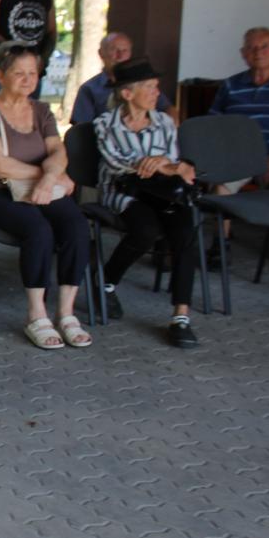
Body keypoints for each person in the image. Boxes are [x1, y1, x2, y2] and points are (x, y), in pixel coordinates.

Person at [0, 41, 92, 350]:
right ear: (0, 75)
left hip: (37, 187)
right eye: (19, 73)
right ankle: (36, 314)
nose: (28, 79)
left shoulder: (41, 110)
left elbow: (58, 152)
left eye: (33, 73)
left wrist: (50, 177)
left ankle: (66, 312)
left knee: (76, 224)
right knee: (38, 228)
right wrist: (47, 175)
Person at [93, 57, 200, 348]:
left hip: (161, 192)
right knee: (146, 230)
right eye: (150, 87)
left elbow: (173, 161)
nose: (157, 92)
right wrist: (159, 164)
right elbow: (116, 163)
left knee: (184, 229)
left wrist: (164, 163)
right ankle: (106, 281)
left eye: (156, 86)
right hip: (123, 190)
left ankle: (181, 316)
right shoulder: (105, 124)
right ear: (127, 93)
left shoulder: (164, 121)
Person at [207, 27, 269, 264]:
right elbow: (214, 124)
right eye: (252, 48)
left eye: (264, 46)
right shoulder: (231, 85)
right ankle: (221, 243)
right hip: (239, 154)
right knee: (221, 184)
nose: (258, 52)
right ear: (243, 53)